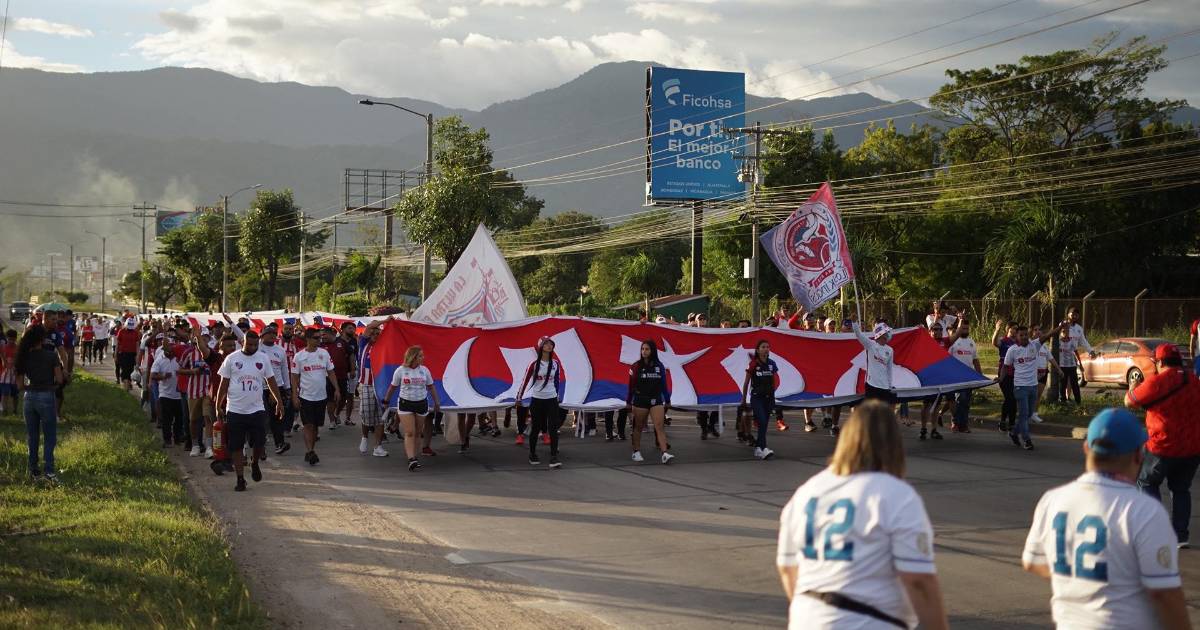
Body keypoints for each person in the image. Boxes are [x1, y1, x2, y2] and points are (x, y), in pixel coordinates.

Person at [777, 402, 949, 630]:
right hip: (869, 620)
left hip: (806, 617)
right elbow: (918, 580)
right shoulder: (895, 494)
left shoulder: (806, 492)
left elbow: (788, 568)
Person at [1022, 408, 1191, 630]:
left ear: (1086, 448)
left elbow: (1033, 561)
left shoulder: (1053, 500)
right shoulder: (1145, 511)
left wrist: (1082, 581)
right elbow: (1165, 593)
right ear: (1139, 455)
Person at [1126, 343, 1200, 547]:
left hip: (1162, 446)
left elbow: (1129, 401)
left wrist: (1133, 386)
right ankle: (1180, 535)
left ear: (1159, 362)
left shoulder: (1157, 382)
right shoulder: (1194, 380)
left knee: (1146, 482)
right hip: (1192, 447)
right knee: (1181, 489)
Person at [215, 330, 284, 491]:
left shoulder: (263, 358)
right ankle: (240, 479)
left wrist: (279, 402)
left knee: (259, 442)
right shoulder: (232, 359)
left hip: (257, 409)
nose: (252, 347)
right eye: (249, 344)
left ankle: (255, 462)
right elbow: (223, 384)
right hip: (235, 410)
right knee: (237, 446)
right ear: (243, 342)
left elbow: (271, 380)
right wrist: (218, 405)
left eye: (255, 345)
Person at [15, 324, 65, 481]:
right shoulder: (51, 356)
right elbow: (59, 379)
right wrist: (53, 386)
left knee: (33, 436)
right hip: (46, 396)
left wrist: (29, 387)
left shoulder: (23, 356)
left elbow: (20, 385)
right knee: (49, 436)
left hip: (29, 397)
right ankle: (49, 471)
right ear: (42, 339)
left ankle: (33, 470)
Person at [381, 345, 442, 471]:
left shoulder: (424, 370)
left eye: (422, 355)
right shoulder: (400, 370)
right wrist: (386, 400)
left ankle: (414, 456)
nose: (423, 358)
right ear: (413, 357)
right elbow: (392, 387)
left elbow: (431, 387)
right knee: (410, 432)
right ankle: (411, 459)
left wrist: (437, 402)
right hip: (405, 403)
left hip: (421, 403)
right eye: (420, 356)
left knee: (418, 433)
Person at [290, 328, 340, 466]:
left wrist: (337, 389)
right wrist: (294, 396)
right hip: (306, 396)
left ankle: (310, 450)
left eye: (320, 338)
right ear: (308, 339)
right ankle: (310, 451)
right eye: (316, 338)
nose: (319, 340)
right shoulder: (299, 356)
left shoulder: (324, 353)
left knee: (316, 426)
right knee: (308, 425)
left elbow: (331, 372)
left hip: (321, 396)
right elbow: (294, 377)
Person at [515, 337, 565, 469]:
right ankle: (532, 454)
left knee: (553, 428)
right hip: (537, 399)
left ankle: (553, 457)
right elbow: (525, 381)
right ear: (541, 346)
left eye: (551, 344)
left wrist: (557, 396)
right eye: (546, 344)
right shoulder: (533, 364)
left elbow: (557, 381)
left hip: (551, 399)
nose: (549, 346)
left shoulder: (555, 363)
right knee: (536, 427)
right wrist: (519, 398)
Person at [626, 340, 675, 464]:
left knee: (659, 426)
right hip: (640, 400)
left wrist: (667, 400)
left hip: (656, 400)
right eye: (642, 349)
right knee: (638, 427)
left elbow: (664, 385)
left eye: (647, 349)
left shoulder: (659, 366)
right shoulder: (636, 366)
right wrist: (628, 402)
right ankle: (636, 451)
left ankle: (664, 453)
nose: (644, 351)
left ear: (652, 351)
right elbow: (631, 386)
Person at [1002, 325, 1039, 451]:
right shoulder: (1012, 350)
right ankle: (1027, 440)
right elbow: (1005, 366)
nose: (1023, 337)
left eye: (1025, 335)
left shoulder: (1034, 345)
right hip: (1020, 387)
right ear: (1017, 336)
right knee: (1023, 414)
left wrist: (1059, 328)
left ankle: (1014, 433)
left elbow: (1046, 336)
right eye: (1021, 335)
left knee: (1029, 414)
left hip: (1033, 386)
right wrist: (1000, 378)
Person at [257, 327, 292, 456]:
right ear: (262, 335)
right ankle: (259, 446)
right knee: (260, 417)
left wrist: (287, 387)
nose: (272, 335)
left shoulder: (280, 350)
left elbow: (284, 369)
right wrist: (231, 323)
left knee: (277, 416)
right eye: (269, 333)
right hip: (260, 387)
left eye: (274, 333)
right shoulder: (257, 348)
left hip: (277, 387)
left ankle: (279, 444)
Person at [742, 339, 778, 461]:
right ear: (757, 350)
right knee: (762, 421)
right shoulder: (753, 364)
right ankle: (764, 448)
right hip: (757, 398)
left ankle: (758, 448)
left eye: (767, 347)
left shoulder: (772, 364)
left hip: (769, 398)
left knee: (764, 424)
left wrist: (773, 396)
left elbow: (774, 381)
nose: (766, 349)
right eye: (763, 347)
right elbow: (746, 383)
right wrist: (743, 399)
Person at [947, 321, 981, 433]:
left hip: (969, 377)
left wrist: (980, 375)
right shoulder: (953, 342)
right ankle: (955, 422)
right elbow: (947, 359)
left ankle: (964, 424)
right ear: (959, 329)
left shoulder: (971, 342)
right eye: (963, 328)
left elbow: (975, 360)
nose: (965, 330)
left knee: (966, 402)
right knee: (960, 399)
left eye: (967, 328)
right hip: (956, 376)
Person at [150, 336, 184, 448]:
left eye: (172, 347)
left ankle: (177, 438)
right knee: (167, 419)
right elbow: (153, 375)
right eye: (168, 348)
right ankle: (167, 440)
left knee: (179, 419)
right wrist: (163, 376)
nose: (170, 350)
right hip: (165, 394)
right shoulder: (159, 360)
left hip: (179, 395)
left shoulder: (180, 358)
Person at [853, 321, 895, 404]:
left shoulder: (890, 350)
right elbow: (858, 334)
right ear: (881, 334)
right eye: (886, 332)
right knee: (871, 410)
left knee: (883, 410)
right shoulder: (870, 345)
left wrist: (889, 385)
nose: (888, 335)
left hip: (885, 387)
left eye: (888, 332)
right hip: (872, 385)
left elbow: (889, 369)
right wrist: (854, 323)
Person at [320, 327, 352, 429]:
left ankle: (336, 413)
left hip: (342, 376)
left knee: (343, 398)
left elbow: (351, 354)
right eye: (321, 335)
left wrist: (352, 369)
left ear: (331, 334)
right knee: (330, 399)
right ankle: (332, 421)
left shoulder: (342, 342)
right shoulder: (320, 345)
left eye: (324, 335)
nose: (322, 337)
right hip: (327, 377)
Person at [992, 320, 1018, 432]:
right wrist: (997, 330)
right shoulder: (1004, 341)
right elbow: (994, 342)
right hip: (1004, 374)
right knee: (1009, 397)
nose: (1015, 331)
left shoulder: (1018, 342)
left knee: (1014, 399)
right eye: (1013, 328)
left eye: (1017, 329)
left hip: (1016, 374)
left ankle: (1011, 423)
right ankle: (1003, 421)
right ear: (1008, 329)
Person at [1057, 322, 1083, 405]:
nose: (1066, 333)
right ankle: (1063, 401)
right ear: (1060, 332)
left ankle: (1078, 401)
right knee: (1062, 384)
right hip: (1062, 366)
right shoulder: (1058, 342)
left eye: (1067, 331)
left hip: (1072, 366)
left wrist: (1080, 364)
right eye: (1064, 331)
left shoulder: (1072, 341)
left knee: (1074, 384)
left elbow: (1076, 352)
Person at [114, 318, 140, 392]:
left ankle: (128, 384)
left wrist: (138, 356)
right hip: (123, 354)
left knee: (130, 370)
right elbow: (117, 344)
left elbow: (137, 345)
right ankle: (126, 387)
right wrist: (115, 355)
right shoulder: (121, 331)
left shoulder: (135, 333)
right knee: (124, 370)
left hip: (132, 354)